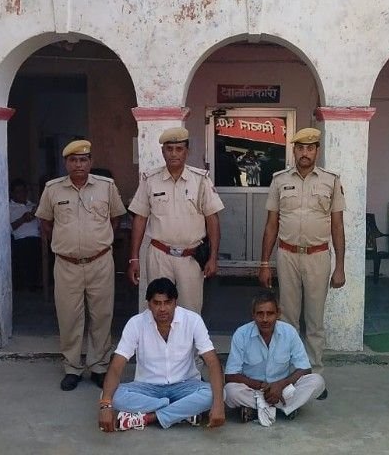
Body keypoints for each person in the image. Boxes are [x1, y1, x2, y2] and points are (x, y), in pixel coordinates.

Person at [258, 128, 346, 398]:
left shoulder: (331, 181)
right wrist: (264, 262)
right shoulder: (280, 180)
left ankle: (314, 376)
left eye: (310, 148)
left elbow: (337, 225)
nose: (305, 153)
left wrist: (340, 266)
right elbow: (271, 224)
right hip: (287, 256)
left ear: (317, 151)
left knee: (315, 321)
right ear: (294, 150)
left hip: (318, 257)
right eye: (300, 148)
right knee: (287, 320)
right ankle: (289, 375)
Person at [35, 139, 126, 391]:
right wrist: (65, 244)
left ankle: (99, 367)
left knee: (102, 316)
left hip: (100, 262)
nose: (78, 164)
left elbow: (116, 218)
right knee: (69, 317)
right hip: (67, 265)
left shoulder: (106, 187)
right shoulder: (53, 189)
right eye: (73, 160)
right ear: (66, 163)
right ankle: (72, 368)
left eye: (83, 160)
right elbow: (46, 223)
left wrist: (98, 242)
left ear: (90, 162)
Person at [98, 277, 225, 432]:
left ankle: (148, 417)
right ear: (149, 304)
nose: (163, 308)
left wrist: (219, 405)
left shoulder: (193, 320)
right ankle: (183, 412)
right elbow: (116, 366)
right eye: (157, 303)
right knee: (112, 395)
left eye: (167, 302)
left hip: (184, 384)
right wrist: (105, 405)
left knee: (217, 394)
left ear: (175, 302)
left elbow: (212, 362)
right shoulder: (136, 323)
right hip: (147, 387)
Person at [127, 127, 224, 314]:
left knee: (190, 312)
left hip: (190, 257)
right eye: (169, 149)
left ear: (187, 151)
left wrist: (213, 257)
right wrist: (134, 258)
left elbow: (213, 220)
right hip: (159, 255)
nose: (173, 154)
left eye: (179, 149)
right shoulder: (150, 180)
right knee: (159, 309)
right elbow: (140, 219)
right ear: (163, 151)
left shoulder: (200, 180)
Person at [224, 290, 324, 425]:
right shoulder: (241, 334)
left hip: (283, 389)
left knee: (317, 381)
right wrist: (262, 386)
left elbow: (305, 369)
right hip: (253, 389)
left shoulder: (289, 332)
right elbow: (230, 375)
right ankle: (285, 408)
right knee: (229, 391)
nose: (265, 319)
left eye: (270, 313)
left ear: (278, 314)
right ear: (253, 315)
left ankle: (257, 409)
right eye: (260, 313)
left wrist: (280, 385)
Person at [9, 178, 42, 290]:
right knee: (28, 247)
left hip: (39, 239)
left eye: (24, 191)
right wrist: (22, 220)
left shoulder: (32, 206)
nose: (22, 194)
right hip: (20, 240)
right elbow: (5, 230)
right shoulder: (7, 208)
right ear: (12, 194)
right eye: (18, 192)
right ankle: (30, 284)